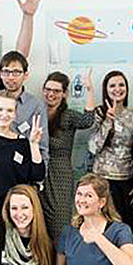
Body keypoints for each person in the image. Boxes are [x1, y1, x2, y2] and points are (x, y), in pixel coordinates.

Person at [40, 70, 96, 243]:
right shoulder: (36, 112)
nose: (51, 94)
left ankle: (61, 261)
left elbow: (88, 121)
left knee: (60, 224)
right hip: (37, 171)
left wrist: (89, 90)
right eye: (48, 89)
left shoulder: (68, 115)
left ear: (64, 94)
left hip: (60, 174)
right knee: (38, 225)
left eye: (57, 91)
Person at [88, 70, 133, 226]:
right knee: (103, 225)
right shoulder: (99, 113)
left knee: (125, 225)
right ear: (106, 90)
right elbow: (93, 147)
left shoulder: (132, 116)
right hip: (103, 180)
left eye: (121, 85)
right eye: (112, 86)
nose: (117, 89)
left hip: (126, 181)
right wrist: (108, 122)